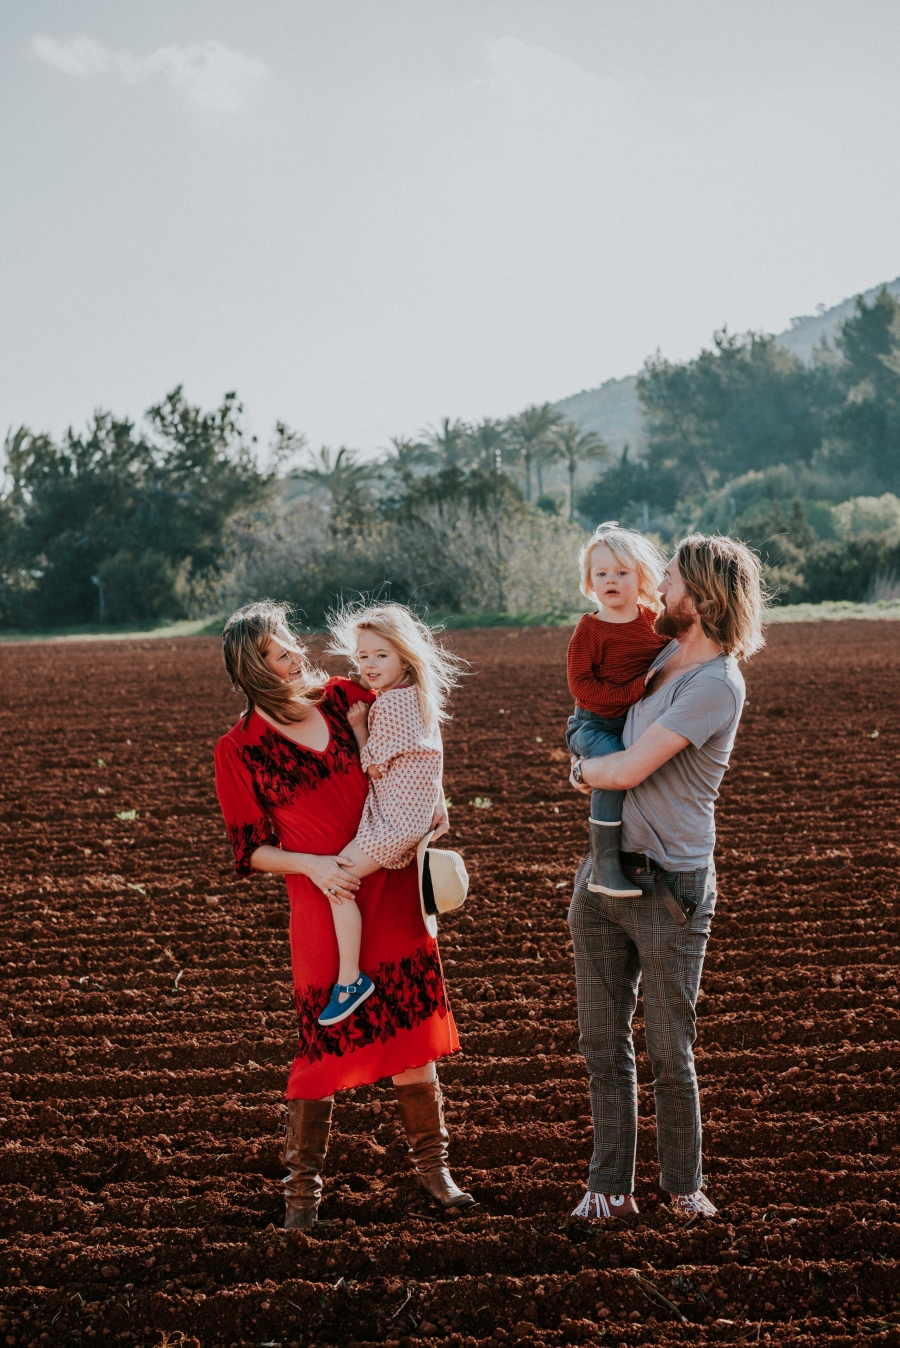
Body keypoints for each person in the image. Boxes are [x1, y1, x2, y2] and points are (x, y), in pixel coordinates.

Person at [214, 601, 475, 1229]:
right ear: (256, 667)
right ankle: (302, 1196)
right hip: (327, 902)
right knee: (323, 1045)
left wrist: (435, 802)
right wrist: (314, 866)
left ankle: (435, 1174)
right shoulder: (239, 748)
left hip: (390, 884)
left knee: (413, 1035)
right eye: (282, 653)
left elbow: (412, 743)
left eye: (292, 645)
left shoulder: (342, 697)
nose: (298, 655)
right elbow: (250, 850)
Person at [567, 534, 765, 1221]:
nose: (659, 590)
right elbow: (593, 717)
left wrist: (580, 768)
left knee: (667, 1050)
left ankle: (683, 1188)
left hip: (670, 887)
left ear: (702, 598)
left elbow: (621, 769)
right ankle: (609, 1188)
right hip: (604, 873)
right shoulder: (658, 658)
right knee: (601, 1043)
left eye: (671, 581)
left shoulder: (715, 683)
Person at [315, 602, 463, 1028]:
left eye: (381, 655)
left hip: (395, 821)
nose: (370, 665)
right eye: (362, 656)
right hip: (408, 815)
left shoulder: (389, 706)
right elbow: (431, 754)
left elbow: (375, 764)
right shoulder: (418, 696)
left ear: (403, 655)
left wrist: (359, 727)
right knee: (344, 879)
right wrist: (438, 798)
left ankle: (349, 981)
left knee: (338, 879)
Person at [566, 522, 667, 898]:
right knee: (612, 766)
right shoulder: (590, 631)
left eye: (622, 572)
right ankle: (605, 868)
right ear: (590, 581)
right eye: (602, 573)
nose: (611, 580)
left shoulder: (652, 623)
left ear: (640, 576)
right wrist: (633, 690)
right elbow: (581, 687)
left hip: (636, 722)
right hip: (593, 725)